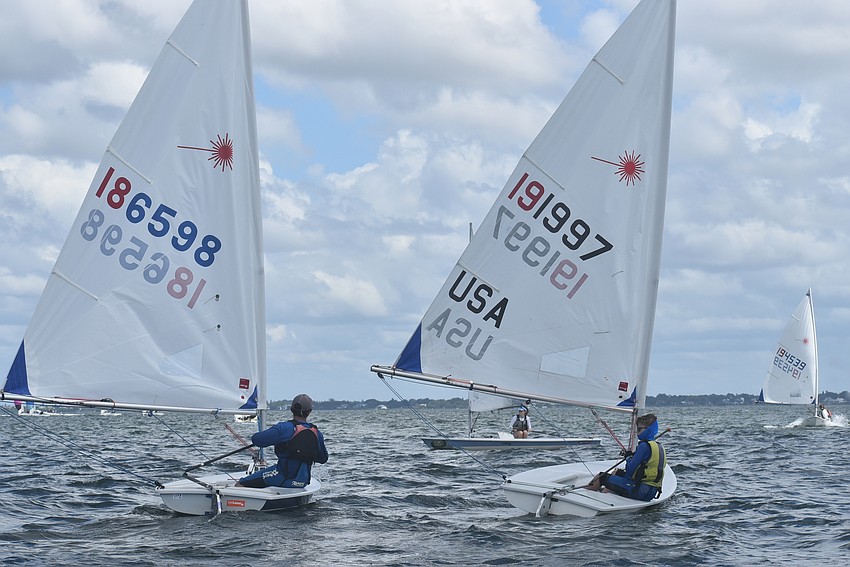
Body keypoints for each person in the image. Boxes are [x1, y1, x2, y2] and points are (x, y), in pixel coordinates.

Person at [236, 393, 328, 489]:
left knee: (241, 483)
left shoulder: (284, 428)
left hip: (281, 477)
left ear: (291, 409)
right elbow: (323, 459)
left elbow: (257, 440)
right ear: (309, 412)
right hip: (302, 481)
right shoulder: (317, 433)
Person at [582, 413, 665, 501]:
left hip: (640, 491)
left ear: (648, 429)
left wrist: (628, 458)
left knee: (601, 477)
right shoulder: (659, 446)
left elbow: (630, 470)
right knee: (617, 472)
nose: (637, 431)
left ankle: (584, 495)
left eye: (639, 429)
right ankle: (603, 494)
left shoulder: (644, 446)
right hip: (651, 492)